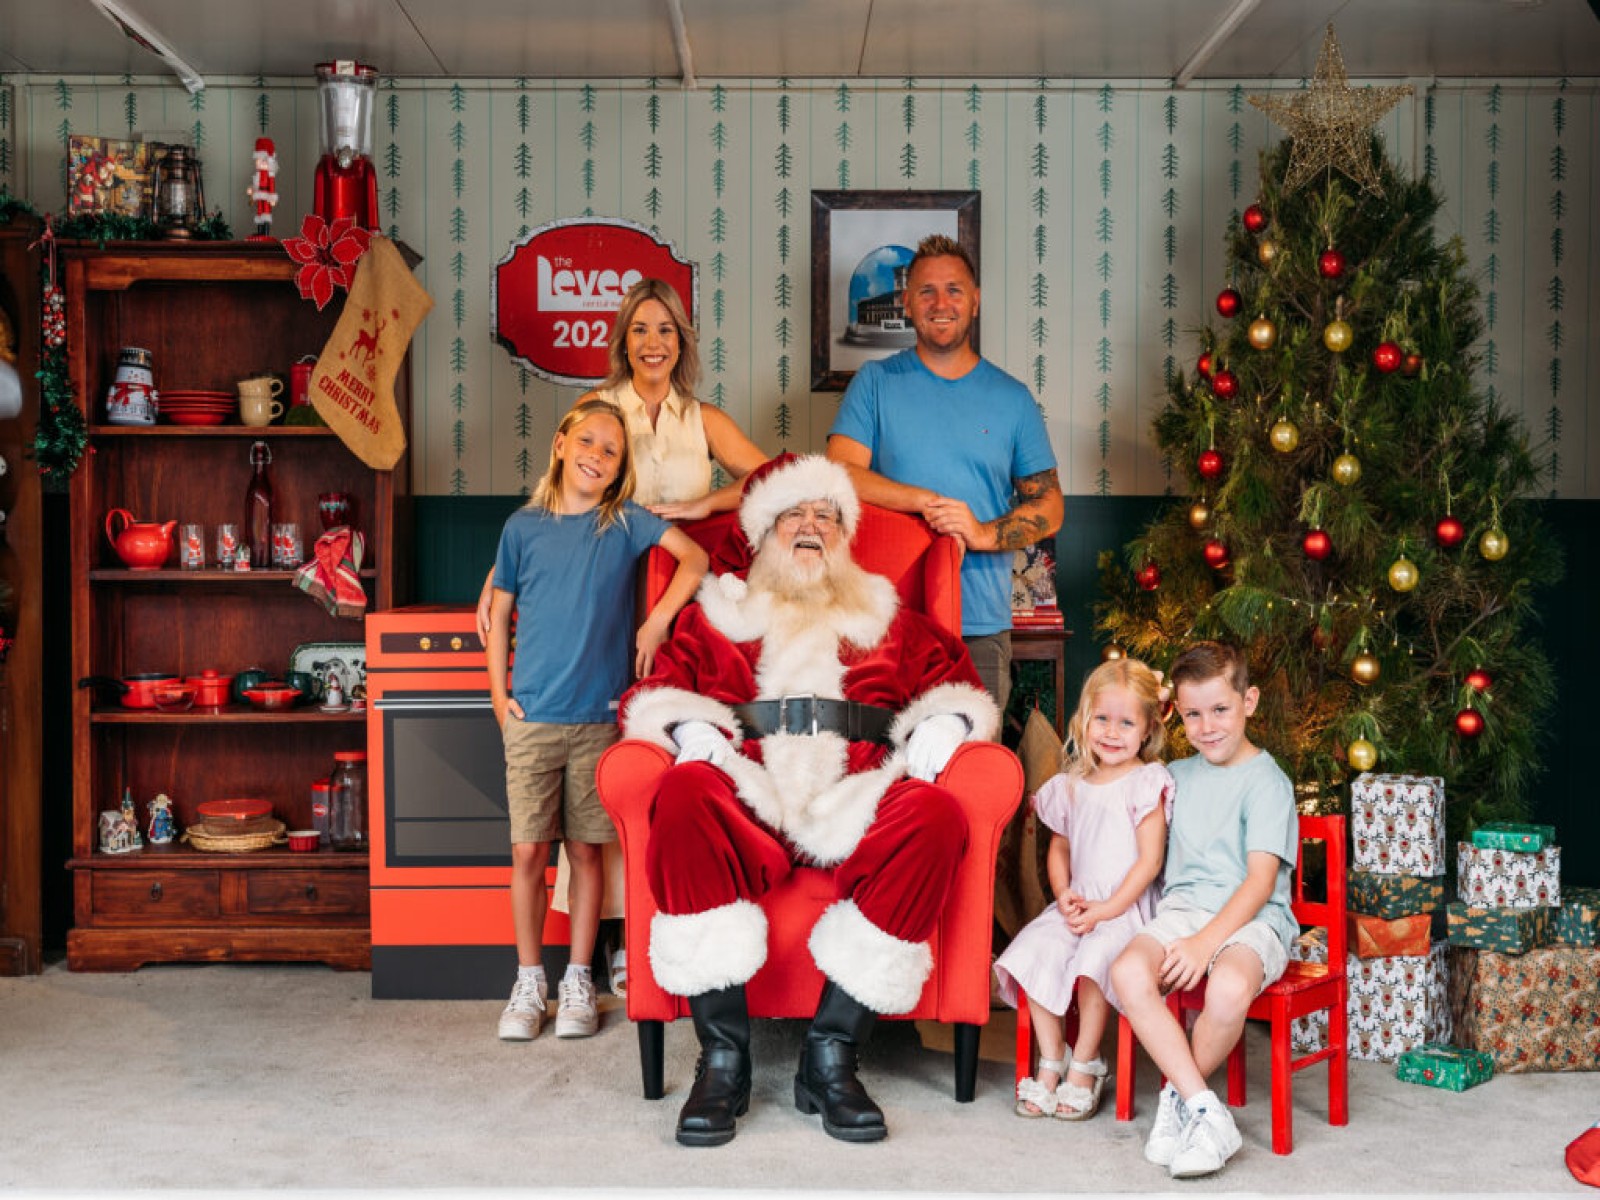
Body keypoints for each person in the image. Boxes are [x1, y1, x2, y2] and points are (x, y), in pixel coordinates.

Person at [619, 454, 1000, 1147]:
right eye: (793, 513)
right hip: (750, 792)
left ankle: (832, 1054)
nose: (811, 526)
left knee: (938, 814)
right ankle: (723, 1060)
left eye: (827, 516)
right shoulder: (718, 617)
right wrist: (695, 730)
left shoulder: (885, 617)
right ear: (762, 533)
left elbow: (955, 680)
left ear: (845, 537)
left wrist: (945, 722)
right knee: (681, 791)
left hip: (856, 798)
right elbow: (659, 690)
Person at [477, 277, 768, 995]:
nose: (653, 343)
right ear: (623, 340)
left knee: (659, 763)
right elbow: (551, 505)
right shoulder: (598, 411)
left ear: (682, 342)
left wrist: (702, 504)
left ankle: (657, 921)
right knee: (603, 774)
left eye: (666, 329)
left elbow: (768, 479)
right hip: (599, 604)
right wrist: (497, 576)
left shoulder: (703, 419)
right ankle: (606, 941)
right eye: (640, 329)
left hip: (673, 604)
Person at [486, 398, 707, 1044]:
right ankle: (530, 981)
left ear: (619, 468)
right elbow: (499, 613)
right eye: (587, 441)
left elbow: (694, 559)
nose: (597, 456)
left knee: (586, 851)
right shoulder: (522, 527)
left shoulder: (625, 522)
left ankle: (579, 978)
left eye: (611, 451)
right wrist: (499, 699)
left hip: (598, 719)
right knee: (529, 851)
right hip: (532, 716)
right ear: (560, 444)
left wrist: (658, 620)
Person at [826, 234, 1063, 708]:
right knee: (877, 753)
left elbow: (1051, 506)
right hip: (882, 620)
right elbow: (839, 473)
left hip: (978, 627)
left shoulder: (1012, 399)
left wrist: (981, 533)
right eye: (926, 291)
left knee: (971, 753)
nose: (940, 303)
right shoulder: (875, 382)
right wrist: (924, 501)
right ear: (907, 303)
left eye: (954, 290)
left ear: (975, 301)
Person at [1108, 641, 1299, 1179]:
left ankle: (1176, 1101)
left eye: (1220, 710)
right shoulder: (1174, 776)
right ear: (1177, 714)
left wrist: (1204, 945)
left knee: (1229, 987)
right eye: (1193, 714)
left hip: (1253, 918)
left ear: (1249, 702)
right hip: (1183, 909)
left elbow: (1260, 883)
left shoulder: (1268, 782)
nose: (1207, 726)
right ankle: (1207, 1111)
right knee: (1126, 971)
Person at [993, 657, 1173, 1121]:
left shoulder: (1146, 782)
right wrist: (1063, 893)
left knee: (1096, 961)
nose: (1112, 732)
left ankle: (1087, 1061)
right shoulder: (1070, 785)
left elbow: (1150, 862)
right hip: (1078, 902)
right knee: (1032, 949)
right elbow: (1060, 849)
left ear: (1148, 728)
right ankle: (1052, 1057)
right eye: (1102, 719)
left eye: (1126, 723)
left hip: (1127, 909)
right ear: (1085, 718)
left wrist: (1107, 909)